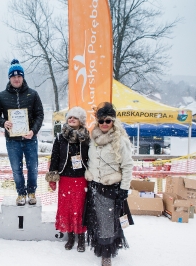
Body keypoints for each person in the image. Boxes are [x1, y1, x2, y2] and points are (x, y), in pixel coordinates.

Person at [83, 102, 134, 266]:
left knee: (106, 222)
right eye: (101, 121)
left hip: (110, 188)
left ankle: (107, 253)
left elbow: (127, 166)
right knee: (96, 221)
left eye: (108, 121)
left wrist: (124, 189)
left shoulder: (120, 141)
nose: (104, 124)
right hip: (93, 187)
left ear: (113, 122)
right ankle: (101, 244)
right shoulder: (93, 139)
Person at [0, 59, 44, 206]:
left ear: (23, 77)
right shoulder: (2, 96)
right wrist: (3, 122)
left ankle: (32, 192)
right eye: (13, 76)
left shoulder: (33, 94)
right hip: (12, 140)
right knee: (16, 169)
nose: (16, 78)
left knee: (33, 168)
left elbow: (40, 114)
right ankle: (21, 193)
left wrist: (34, 130)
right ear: (9, 78)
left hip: (30, 139)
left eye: (19, 76)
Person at [45, 107, 90, 252]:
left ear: (80, 121)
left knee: (80, 208)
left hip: (81, 178)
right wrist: (52, 176)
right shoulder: (60, 137)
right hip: (65, 177)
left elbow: (91, 157)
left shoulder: (87, 137)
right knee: (67, 208)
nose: (71, 120)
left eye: (75, 118)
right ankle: (70, 237)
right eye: (70, 117)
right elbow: (55, 157)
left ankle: (81, 238)